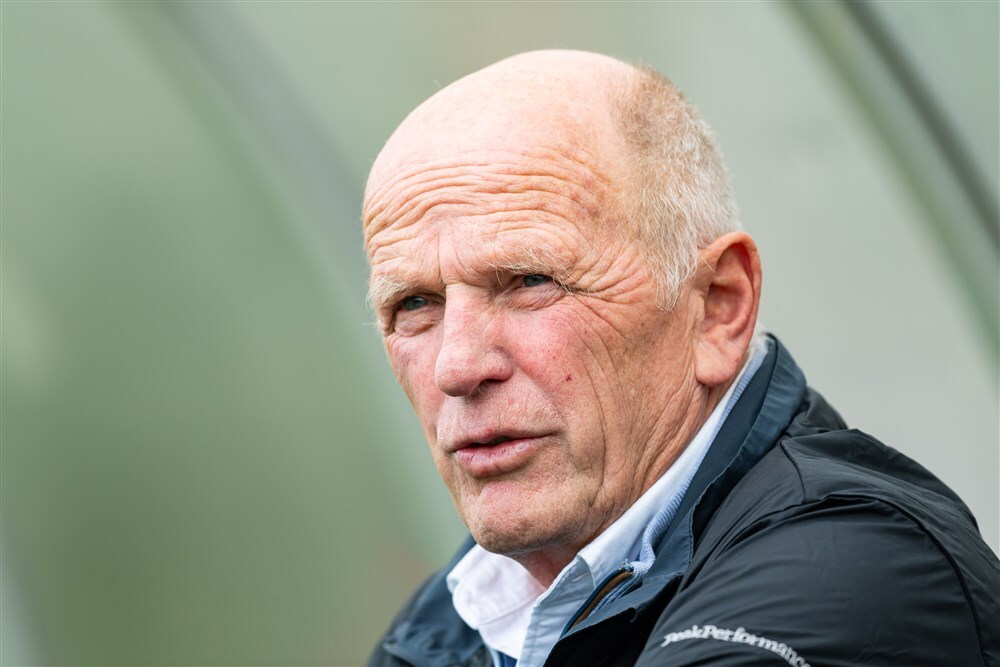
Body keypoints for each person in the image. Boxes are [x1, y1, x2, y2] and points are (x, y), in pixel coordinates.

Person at [361, 50, 998, 667]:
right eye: (414, 303)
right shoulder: (455, 620)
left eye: (531, 281)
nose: (456, 367)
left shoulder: (852, 567)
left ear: (718, 307)